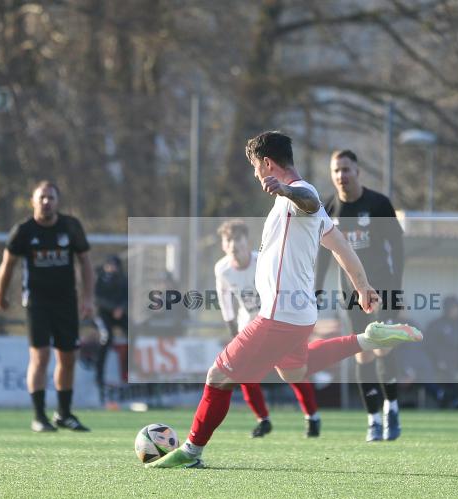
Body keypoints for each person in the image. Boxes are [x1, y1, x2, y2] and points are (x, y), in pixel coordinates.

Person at [147, 131, 421, 468]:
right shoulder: (307, 208)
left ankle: (191, 452)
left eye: (255, 167)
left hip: (278, 315)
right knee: (295, 372)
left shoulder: (302, 195)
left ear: (267, 163)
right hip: (298, 314)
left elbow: (305, 197)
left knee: (217, 376)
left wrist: (286, 189)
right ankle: (367, 338)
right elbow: (342, 247)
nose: (254, 174)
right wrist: (363, 286)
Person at [316, 149, 405, 441]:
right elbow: (323, 255)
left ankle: (391, 407)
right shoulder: (328, 209)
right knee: (363, 353)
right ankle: (372, 419)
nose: (341, 175)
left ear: (357, 171)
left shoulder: (378, 204)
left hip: (382, 288)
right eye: (336, 170)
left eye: (346, 169)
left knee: (383, 346)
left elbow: (398, 248)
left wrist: (397, 288)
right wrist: (315, 290)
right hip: (350, 292)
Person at [0, 180, 95, 433]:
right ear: (33, 201)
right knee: (40, 357)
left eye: (51, 198)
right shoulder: (23, 231)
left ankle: (64, 413)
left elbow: (85, 262)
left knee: (68, 357)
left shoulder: (71, 227)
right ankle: (39, 416)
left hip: (66, 302)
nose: (46, 202)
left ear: (58, 202)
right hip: (37, 302)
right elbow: (8, 265)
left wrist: (88, 297)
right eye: (42, 198)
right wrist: (0, 294)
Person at [214, 219, 321, 438]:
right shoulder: (222, 269)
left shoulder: (262, 260)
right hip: (250, 327)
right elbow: (225, 302)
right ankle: (263, 420)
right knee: (244, 374)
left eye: (237, 239)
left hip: (278, 323)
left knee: (292, 372)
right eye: (228, 240)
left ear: (247, 241)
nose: (233, 244)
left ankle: (312, 417)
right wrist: (234, 332)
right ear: (223, 245)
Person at [424, 296, 458, 407]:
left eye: (456, 308)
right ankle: (445, 397)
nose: (454, 311)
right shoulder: (436, 325)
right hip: (439, 362)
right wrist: (439, 361)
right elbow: (429, 346)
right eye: (451, 308)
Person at [94, 255, 129, 396]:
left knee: (134, 334)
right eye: (110, 264)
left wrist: (121, 308)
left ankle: (128, 372)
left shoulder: (123, 279)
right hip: (103, 314)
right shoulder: (99, 279)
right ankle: (99, 375)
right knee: (106, 337)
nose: (112, 268)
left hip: (119, 313)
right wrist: (113, 308)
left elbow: (127, 297)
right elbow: (97, 298)